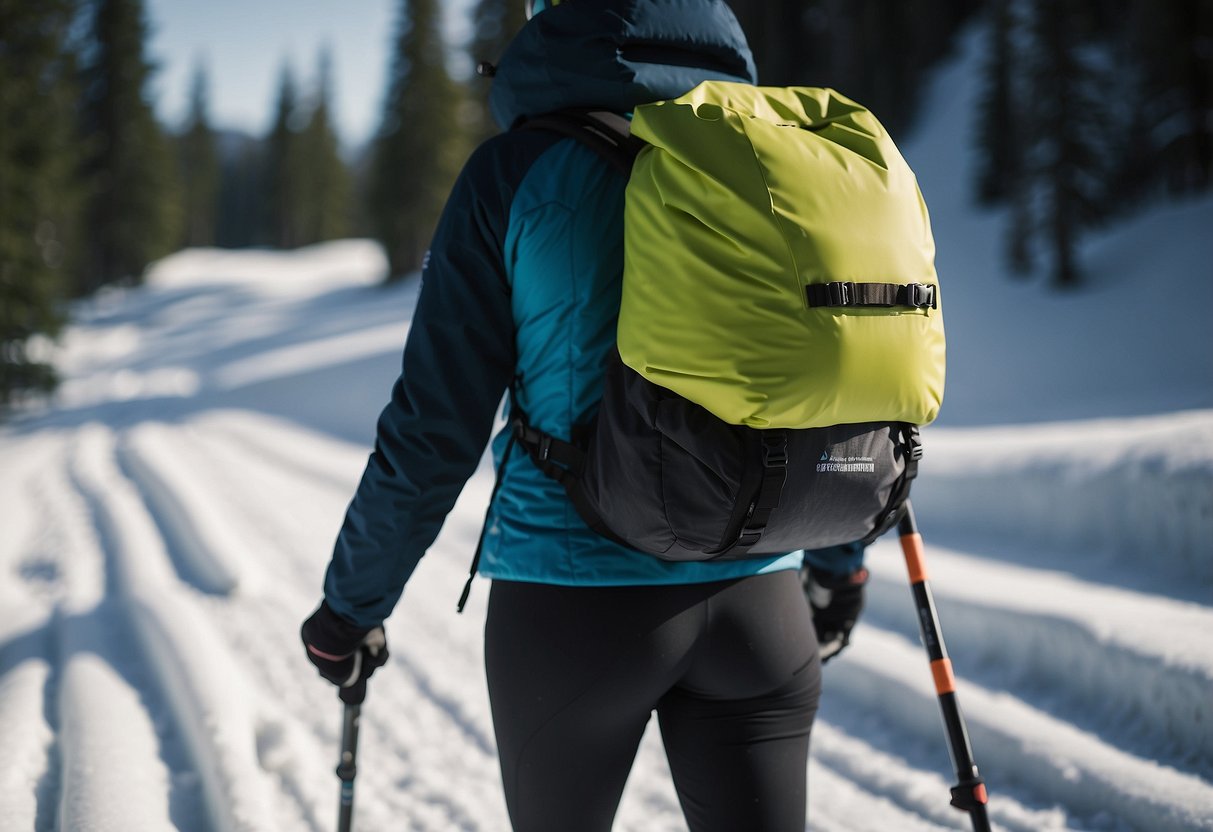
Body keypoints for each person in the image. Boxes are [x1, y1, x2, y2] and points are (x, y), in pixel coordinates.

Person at [301, 1, 868, 829]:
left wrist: (350, 611)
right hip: (761, 603)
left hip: (573, 609)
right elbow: (825, 377)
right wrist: (839, 558)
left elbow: (433, 429)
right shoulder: (774, 158)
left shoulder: (514, 171)